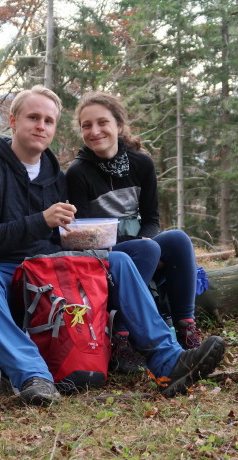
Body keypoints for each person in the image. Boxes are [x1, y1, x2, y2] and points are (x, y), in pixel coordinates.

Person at [0, 85, 225, 405]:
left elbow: (55, 239)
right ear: (13, 122)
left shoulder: (54, 176)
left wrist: (83, 239)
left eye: (49, 120)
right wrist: (43, 221)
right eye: (33, 117)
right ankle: (33, 376)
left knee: (121, 261)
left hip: (49, 268)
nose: (41, 125)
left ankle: (168, 360)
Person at [66, 92, 203, 369]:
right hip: (103, 252)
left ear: (118, 125)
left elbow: (152, 218)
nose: (94, 131)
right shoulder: (77, 173)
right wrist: (143, 245)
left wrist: (147, 239)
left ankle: (185, 327)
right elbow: (84, 235)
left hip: (141, 242)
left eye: (102, 122)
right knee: (146, 248)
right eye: (86, 125)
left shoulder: (142, 163)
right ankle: (122, 335)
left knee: (177, 239)